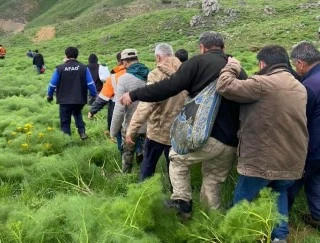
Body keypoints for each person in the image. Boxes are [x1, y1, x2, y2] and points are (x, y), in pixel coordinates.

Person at [120, 31, 247, 215]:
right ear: (223, 48)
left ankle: (182, 202)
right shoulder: (237, 69)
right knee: (212, 182)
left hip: (207, 137)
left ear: (202, 48)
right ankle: (211, 222)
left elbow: (168, 88)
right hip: (231, 142)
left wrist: (134, 95)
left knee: (177, 158)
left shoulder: (197, 63)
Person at [216, 45, 308, 243]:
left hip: (263, 159)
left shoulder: (263, 83)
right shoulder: (299, 86)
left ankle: (233, 233)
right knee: (278, 193)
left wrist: (232, 66)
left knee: (242, 199)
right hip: (292, 158)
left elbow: (224, 86)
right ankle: (280, 237)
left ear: (263, 63)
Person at [126, 43, 187, 181]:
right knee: (176, 169)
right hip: (180, 129)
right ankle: (177, 198)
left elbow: (146, 104)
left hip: (158, 130)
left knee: (148, 165)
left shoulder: (156, 74)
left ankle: (144, 192)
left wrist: (132, 129)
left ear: (158, 57)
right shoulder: (187, 72)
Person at [288, 42, 320, 230]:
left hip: (314, 147)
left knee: (292, 182)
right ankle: (317, 216)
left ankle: (280, 217)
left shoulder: (309, 86)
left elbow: (300, 117)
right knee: (316, 179)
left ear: (300, 63)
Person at [110, 48, 150, 173]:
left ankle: (126, 177)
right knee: (146, 154)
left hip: (131, 124)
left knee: (127, 153)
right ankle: (145, 177)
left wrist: (113, 131)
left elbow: (119, 109)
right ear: (137, 59)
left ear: (125, 63)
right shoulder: (150, 74)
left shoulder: (124, 79)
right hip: (149, 124)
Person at [47, 46, 97, 140]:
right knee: (77, 113)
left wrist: (49, 95)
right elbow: (90, 84)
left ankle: (67, 140)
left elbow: (52, 84)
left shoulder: (60, 68)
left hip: (64, 100)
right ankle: (82, 132)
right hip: (79, 99)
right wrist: (94, 95)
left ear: (66, 55)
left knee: (65, 121)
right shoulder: (83, 68)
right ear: (77, 56)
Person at [88, 52, 126, 148]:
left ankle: (125, 157)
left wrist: (92, 111)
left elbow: (103, 98)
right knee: (137, 131)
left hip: (118, 109)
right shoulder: (144, 73)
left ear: (118, 61)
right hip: (140, 110)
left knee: (120, 134)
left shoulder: (113, 77)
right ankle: (139, 149)